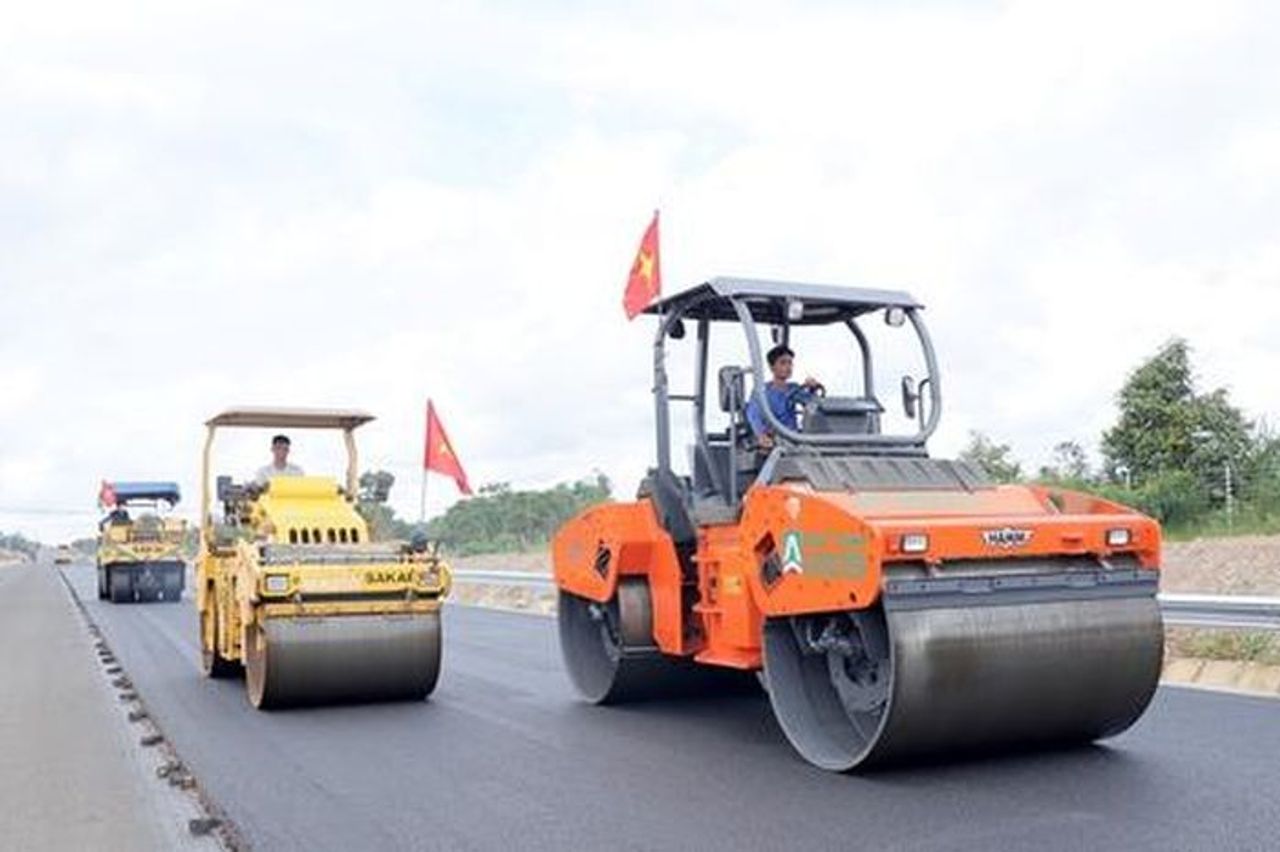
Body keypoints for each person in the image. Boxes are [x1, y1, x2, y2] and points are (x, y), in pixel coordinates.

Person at [745, 344, 823, 448]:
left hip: (793, 439)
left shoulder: (794, 389)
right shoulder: (761, 391)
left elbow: (813, 404)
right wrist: (761, 435)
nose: (788, 367)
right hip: (772, 440)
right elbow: (753, 414)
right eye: (783, 363)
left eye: (790, 363)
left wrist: (813, 388)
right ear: (772, 367)